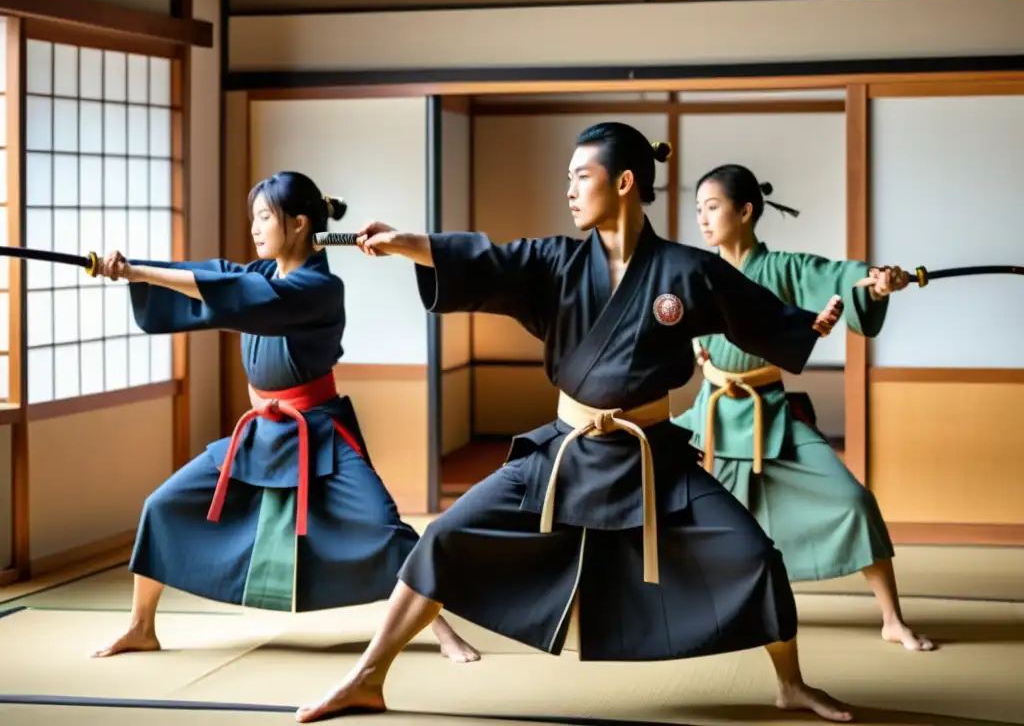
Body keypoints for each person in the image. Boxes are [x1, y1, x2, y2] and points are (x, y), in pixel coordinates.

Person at [296, 123, 855, 723]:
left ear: (624, 182)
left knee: (756, 556)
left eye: (580, 177)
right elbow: (489, 261)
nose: (569, 190)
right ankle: (366, 676)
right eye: (568, 179)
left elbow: (752, 307)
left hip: (653, 458)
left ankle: (790, 684)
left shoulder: (685, 271)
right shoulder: (556, 263)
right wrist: (410, 243)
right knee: (442, 538)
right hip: (565, 451)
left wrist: (803, 327)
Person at [89, 171, 479, 665]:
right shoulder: (260, 275)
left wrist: (141, 275)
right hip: (260, 432)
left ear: (298, 224)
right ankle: (140, 626)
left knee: (384, 529)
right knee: (162, 505)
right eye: (253, 217)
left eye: (264, 217)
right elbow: (211, 276)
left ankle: (441, 629)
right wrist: (130, 269)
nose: (254, 227)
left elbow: (231, 295)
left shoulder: (319, 289)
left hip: (319, 430)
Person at [673, 163, 932, 653]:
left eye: (712, 208)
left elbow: (836, 276)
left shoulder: (784, 269)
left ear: (745, 211)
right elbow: (672, 317)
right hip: (709, 417)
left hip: (770, 415)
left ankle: (892, 619)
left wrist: (874, 283)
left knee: (854, 502)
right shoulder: (699, 272)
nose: (703, 220)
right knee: (650, 494)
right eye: (699, 211)